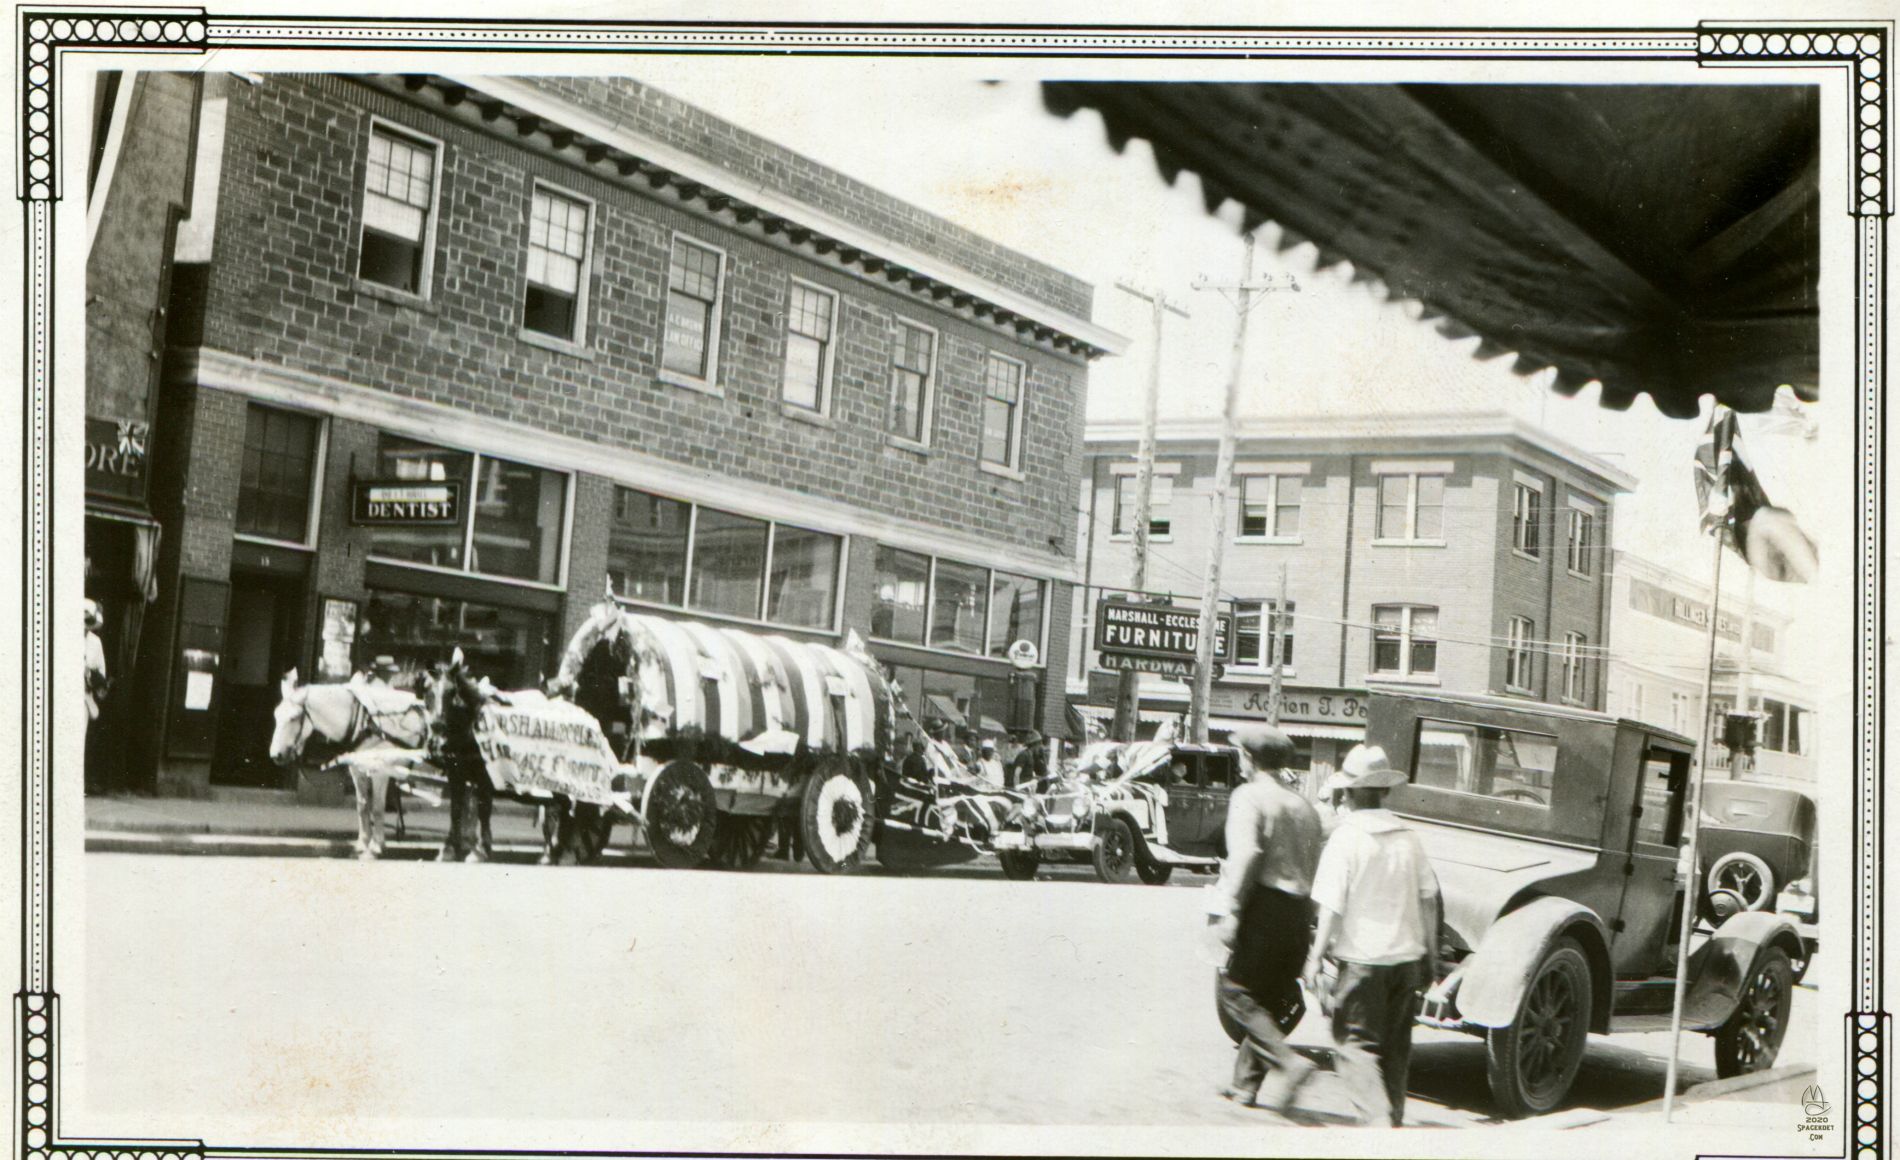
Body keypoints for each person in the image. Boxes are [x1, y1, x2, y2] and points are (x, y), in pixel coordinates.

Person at [1301, 744, 1441, 1128]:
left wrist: (1314, 959)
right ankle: (1391, 1124)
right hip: (1406, 961)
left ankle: (1378, 1124)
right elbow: (1429, 899)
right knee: (1395, 1051)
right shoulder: (1408, 837)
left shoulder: (1346, 839)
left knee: (1354, 1046)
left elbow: (1330, 906)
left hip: (1363, 963)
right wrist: (1429, 955)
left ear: (1348, 794)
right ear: (1384, 791)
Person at [1209, 725, 1325, 1114]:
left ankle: (1288, 1064)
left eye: (1240, 754)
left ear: (1249, 758)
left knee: (1234, 990)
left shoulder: (1248, 797)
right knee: (1271, 998)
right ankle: (1244, 1086)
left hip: (1263, 905)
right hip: (1298, 911)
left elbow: (1245, 856)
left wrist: (1232, 911)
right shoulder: (1304, 806)